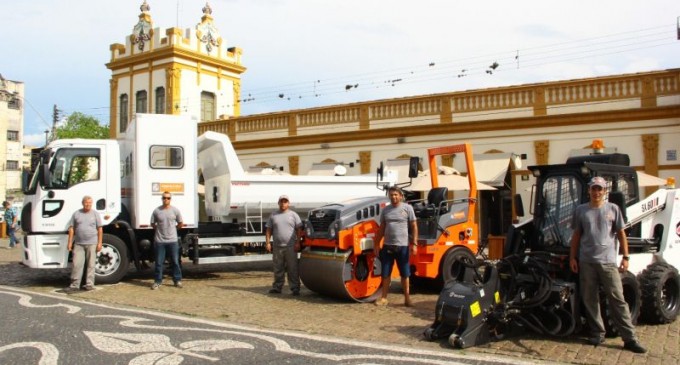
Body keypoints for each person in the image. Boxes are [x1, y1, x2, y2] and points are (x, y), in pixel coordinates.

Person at [569, 176, 647, 353]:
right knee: (590, 299)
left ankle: (630, 338)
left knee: (617, 299)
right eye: (594, 189)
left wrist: (625, 257)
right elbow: (576, 236)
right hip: (587, 262)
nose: (596, 192)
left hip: (608, 263)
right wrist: (572, 258)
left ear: (605, 191)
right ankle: (597, 333)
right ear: (589, 190)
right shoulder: (581, 210)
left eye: (600, 189)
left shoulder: (613, 209)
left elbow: (621, 234)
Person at [374, 187, 418, 307]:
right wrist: (377, 243)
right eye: (391, 195)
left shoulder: (407, 208)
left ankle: (407, 299)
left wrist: (414, 244)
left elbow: (414, 226)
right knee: (386, 273)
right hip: (388, 246)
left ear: (400, 196)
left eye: (395, 195)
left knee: (405, 274)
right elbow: (382, 227)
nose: (393, 197)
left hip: (402, 246)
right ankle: (384, 298)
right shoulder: (386, 210)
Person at [265, 195, 303, 296]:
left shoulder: (294, 215)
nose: (283, 204)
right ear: (278, 203)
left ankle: (295, 288)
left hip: (291, 247)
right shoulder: (273, 215)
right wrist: (268, 242)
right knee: (278, 268)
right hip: (277, 247)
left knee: (293, 268)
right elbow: (268, 230)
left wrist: (298, 242)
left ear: (288, 203)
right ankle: (277, 287)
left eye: (285, 202)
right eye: (281, 202)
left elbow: (299, 229)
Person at [64, 196, 103, 293]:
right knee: (77, 264)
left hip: (92, 243)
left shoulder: (95, 214)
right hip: (79, 243)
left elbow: (100, 229)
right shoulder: (77, 214)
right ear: (83, 203)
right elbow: (72, 229)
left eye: (90, 203)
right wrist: (69, 243)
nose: (88, 204)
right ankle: (74, 285)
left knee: (91, 265)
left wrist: (99, 243)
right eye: (86, 203)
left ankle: (89, 284)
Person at [150, 191, 184, 290]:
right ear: (162, 199)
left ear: (170, 199)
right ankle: (157, 281)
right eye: (164, 198)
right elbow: (153, 224)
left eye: (168, 198)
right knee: (159, 263)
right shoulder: (156, 211)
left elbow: (180, 223)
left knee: (175, 261)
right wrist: (159, 230)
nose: (166, 199)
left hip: (172, 241)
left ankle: (177, 280)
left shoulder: (175, 211)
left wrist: (173, 230)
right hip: (160, 241)